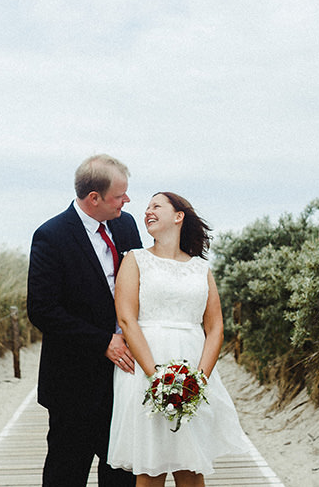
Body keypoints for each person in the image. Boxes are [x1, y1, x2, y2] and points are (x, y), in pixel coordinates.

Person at [107, 192, 249, 487]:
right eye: (146, 208)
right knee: (150, 469)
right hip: (145, 371)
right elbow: (126, 320)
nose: (148, 211)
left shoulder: (200, 267)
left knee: (190, 467)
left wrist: (199, 381)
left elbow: (215, 328)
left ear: (178, 216)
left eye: (156, 206)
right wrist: (156, 377)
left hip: (193, 369)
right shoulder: (135, 260)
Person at [27, 154, 143, 487]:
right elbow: (42, 309)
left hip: (123, 380)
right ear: (94, 198)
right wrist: (103, 340)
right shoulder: (51, 235)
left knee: (122, 476)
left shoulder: (126, 224)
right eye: (120, 195)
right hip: (71, 384)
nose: (127, 200)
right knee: (66, 474)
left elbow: (139, 288)